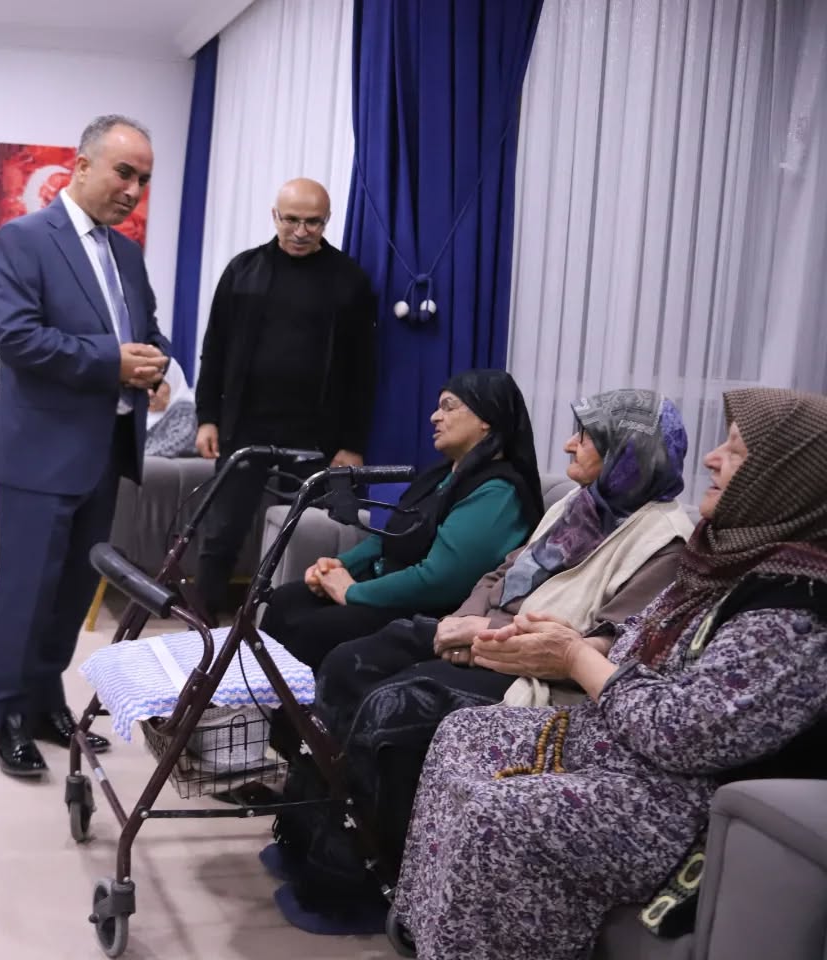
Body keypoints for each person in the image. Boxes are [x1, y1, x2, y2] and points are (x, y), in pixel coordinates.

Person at [392, 388, 827, 960]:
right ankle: (430, 930)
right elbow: (632, 640)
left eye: (737, 452)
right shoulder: (724, 558)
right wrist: (564, 643)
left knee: (495, 813)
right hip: (619, 746)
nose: (711, 458)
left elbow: (685, 735)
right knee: (462, 732)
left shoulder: (795, 607)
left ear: (787, 479)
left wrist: (575, 656)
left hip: (674, 801)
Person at [271, 389, 695, 933]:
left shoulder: (665, 542)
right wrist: (462, 622)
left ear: (628, 454)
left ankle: (361, 879)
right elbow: (501, 572)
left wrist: (481, 635)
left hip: (535, 673)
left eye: (586, 438)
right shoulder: (580, 505)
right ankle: (306, 838)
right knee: (346, 664)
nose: (569, 445)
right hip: (480, 633)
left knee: (392, 706)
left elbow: (604, 644)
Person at [0, 115, 171, 778]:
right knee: (27, 592)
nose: (134, 190)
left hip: (106, 451)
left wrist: (157, 363)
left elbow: (147, 331)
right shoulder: (24, 239)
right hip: (40, 453)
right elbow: (17, 338)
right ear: (82, 165)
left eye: (143, 179)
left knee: (71, 594)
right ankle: (8, 716)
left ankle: (44, 703)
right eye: (124, 173)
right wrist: (113, 363)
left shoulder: (127, 254)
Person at [262, 369, 544, 671]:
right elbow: (390, 537)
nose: (434, 417)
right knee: (285, 600)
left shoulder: (499, 492)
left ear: (486, 418)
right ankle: (255, 699)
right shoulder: (441, 476)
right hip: (390, 593)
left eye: (448, 407)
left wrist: (352, 592)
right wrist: (338, 566)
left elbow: (441, 579)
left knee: (314, 629)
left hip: (430, 613)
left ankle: (293, 703)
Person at [192, 179, 376, 620]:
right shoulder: (243, 272)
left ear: (327, 222)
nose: (300, 231)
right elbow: (214, 350)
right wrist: (207, 417)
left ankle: (287, 629)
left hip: (318, 437)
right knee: (220, 532)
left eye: (312, 222)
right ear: (274, 216)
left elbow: (364, 370)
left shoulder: (349, 281)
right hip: (244, 427)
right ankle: (200, 626)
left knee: (308, 536)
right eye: (291, 220)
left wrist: (352, 443)